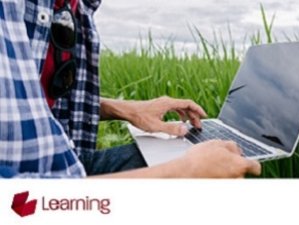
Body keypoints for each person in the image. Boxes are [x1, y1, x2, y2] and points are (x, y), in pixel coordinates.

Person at [0, 0, 261, 178]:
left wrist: (127, 109)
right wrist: (180, 174)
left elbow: (31, 105)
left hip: (66, 162)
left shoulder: (77, 8)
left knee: (207, 154)